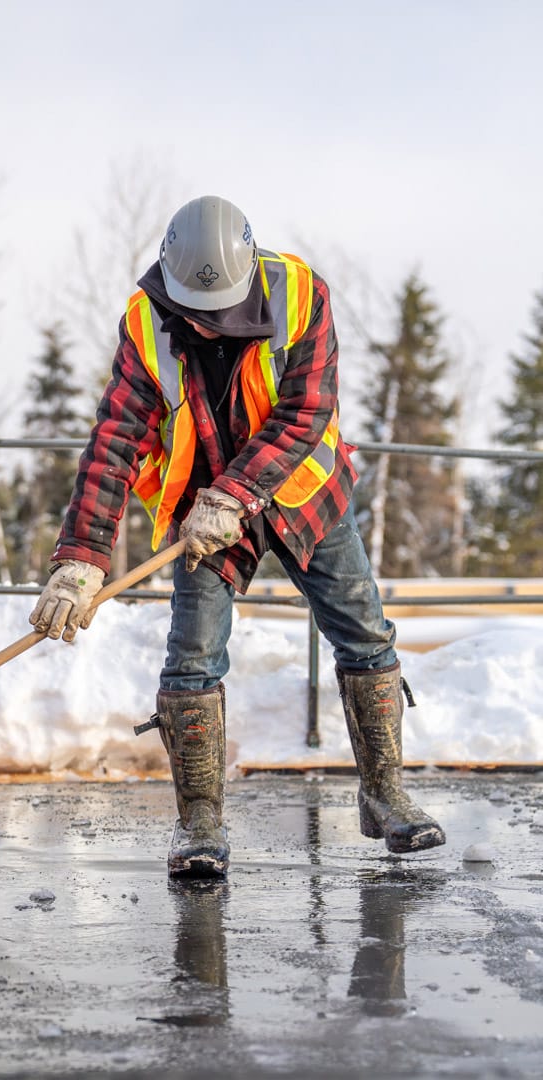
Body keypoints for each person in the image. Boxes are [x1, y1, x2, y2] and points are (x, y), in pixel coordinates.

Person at [29, 195, 446, 878]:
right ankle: (199, 824)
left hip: (302, 490)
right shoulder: (145, 323)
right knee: (192, 658)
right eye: (200, 314)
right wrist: (80, 558)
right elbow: (114, 442)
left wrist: (238, 493)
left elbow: (307, 409)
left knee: (365, 635)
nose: (213, 325)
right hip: (200, 509)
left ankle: (386, 795)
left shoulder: (301, 294)